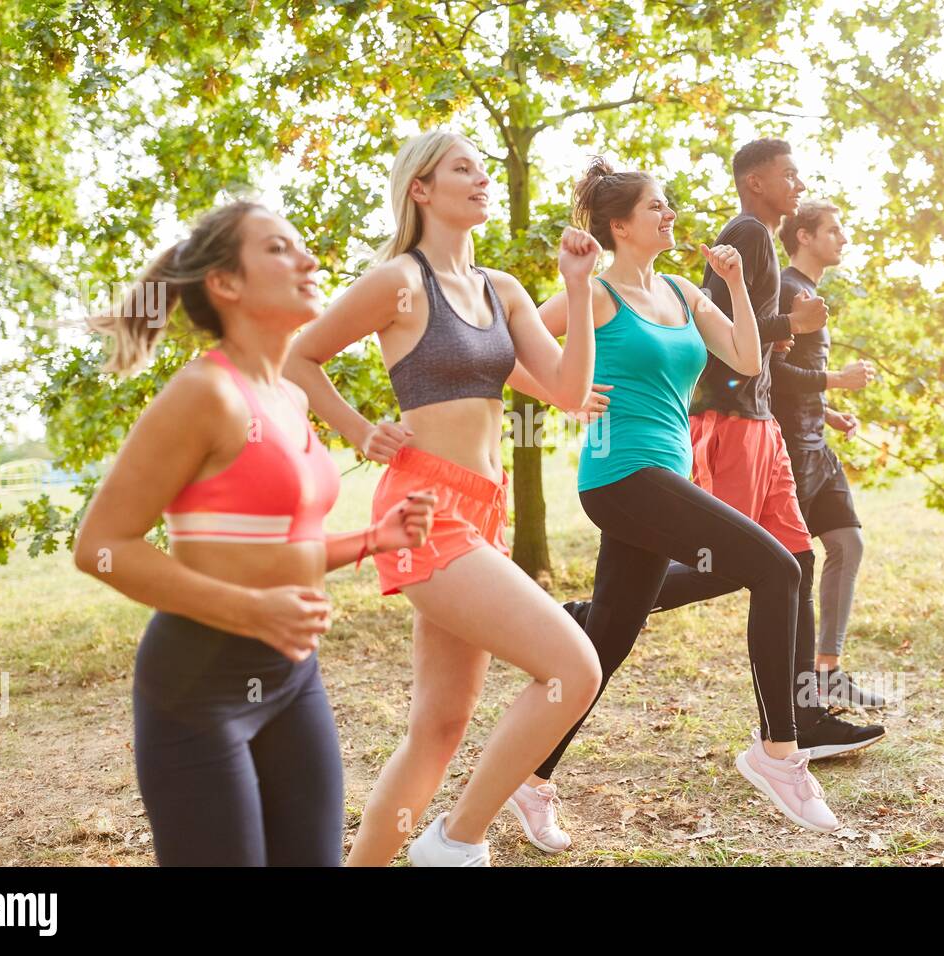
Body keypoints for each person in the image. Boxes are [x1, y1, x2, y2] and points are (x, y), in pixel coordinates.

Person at [74, 200, 435, 866]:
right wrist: (252, 611)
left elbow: (273, 552)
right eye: (279, 248)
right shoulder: (205, 394)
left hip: (292, 679)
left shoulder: (289, 398)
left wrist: (371, 539)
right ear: (227, 283)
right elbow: (99, 547)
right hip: (199, 688)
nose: (310, 260)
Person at [284, 129, 605, 867]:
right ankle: (454, 841)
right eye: (464, 168)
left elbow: (564, 390)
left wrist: (580, 291)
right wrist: (361, 431)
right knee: (574, 668)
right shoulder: (398, 280)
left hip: (484, 508)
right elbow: (299, 355)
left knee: (439, 726)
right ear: (421, 189)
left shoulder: (504, 289)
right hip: (425, 511)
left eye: (485, 169)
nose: (483, 178)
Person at [509, 154, 845, 849]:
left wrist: (733, 288)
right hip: (620, 475)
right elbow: (507, 345)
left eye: (668, 204)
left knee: (608, 637)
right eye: (656, 207)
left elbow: (749, 361)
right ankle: (777, 752)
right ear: (621, 225)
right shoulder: (598, 293)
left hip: (666, 475)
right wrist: (561, 394)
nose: (670, 214)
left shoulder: (683, 294)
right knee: (779, 567)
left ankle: (529, 776)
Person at [776, 199, 883, 707]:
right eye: (833, 231)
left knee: (847, 543)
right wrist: (838, 380)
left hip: (818, 446)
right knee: (777, 565)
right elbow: (769, 374)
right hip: (790, 454)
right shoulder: (786, 290)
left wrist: (830, 410)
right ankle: (632, 600)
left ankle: (828, 671)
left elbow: (801, 382)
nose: (843, 239)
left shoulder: (811, 292)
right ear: (803, 236)